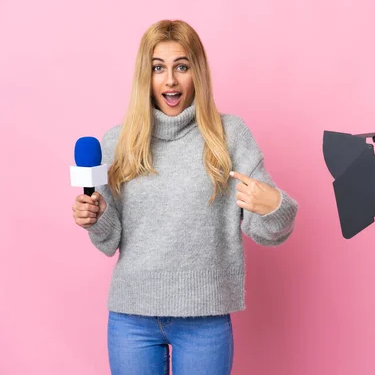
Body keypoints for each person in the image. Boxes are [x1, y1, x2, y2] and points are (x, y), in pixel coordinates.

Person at [71, 19, 298, 374]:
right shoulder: (118, 141)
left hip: (204, 319)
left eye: (182, 66)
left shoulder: (230, 136)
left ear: (198, 72)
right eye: (158, 68)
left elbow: (267, 230)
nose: (170, 80)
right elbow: (109, 239)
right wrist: (95, 217)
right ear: (145, 76)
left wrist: (276, 209)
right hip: (132, 318)